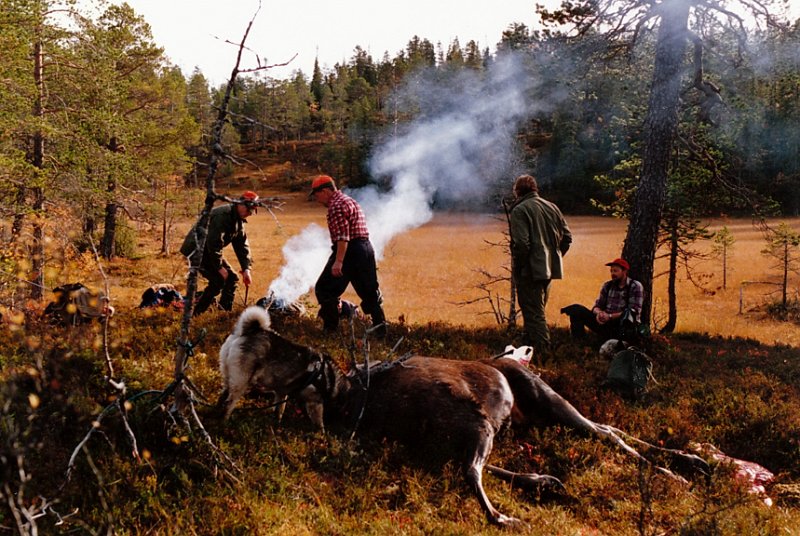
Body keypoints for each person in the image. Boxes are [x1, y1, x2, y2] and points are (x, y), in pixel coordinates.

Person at [309, 175, 386, 336]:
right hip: (365, 249)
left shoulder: (336, 206)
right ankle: (381, 332)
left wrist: (338, 261)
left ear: (325, 191)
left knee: (324, 289)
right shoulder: (349, 200)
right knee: (370, 292)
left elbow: (343, 237)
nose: (317, 200)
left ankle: (330, 331)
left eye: (317, 195)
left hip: (349, 251)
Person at [509, 174, 572, 355]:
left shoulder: (520, 210)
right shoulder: (552, 207)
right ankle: (527, 351)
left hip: (530, 271)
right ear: (535, 189)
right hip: (549, 270)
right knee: (534, 311)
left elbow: (522, 244)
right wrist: (554, 257)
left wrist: (520, 267)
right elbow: (567, 238)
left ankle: (545, 356)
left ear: (518, 191)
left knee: (535, 315)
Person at [180, 191, 258, 315]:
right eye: (249, 210)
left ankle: (223, 313)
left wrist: (246, 268)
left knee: (231, 278)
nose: (250, 214)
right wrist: (219, 267)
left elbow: (241, 244)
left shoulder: (238, 219)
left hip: (209, 251)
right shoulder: (222, 215)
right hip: (196, 250)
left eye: (252, 211)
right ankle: (196, 314)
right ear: (241, 204)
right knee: (218, 280)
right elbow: (214, 242)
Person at [561, 257, 644, 342]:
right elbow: (597, 306)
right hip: (606, 323)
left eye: (616, 271)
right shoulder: (608, 286)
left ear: (624, 271)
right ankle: (579, 343)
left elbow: (634, 311)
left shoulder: (635, 286)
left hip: (623, 326)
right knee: (576, 310)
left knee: (627, 317)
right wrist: (599, 314)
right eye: (611, 271)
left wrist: (610, 316)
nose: (612, 274)